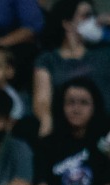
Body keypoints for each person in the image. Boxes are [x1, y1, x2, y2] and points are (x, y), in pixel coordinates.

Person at [33, 0, 110, 138]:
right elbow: (42, 99)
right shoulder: (48, 59)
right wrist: (46, 121)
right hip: (66, 129)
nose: (92, 21)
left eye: (93, 16)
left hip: (104, 128)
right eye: (86, 16)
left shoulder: (104, 54)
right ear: (67, 23)